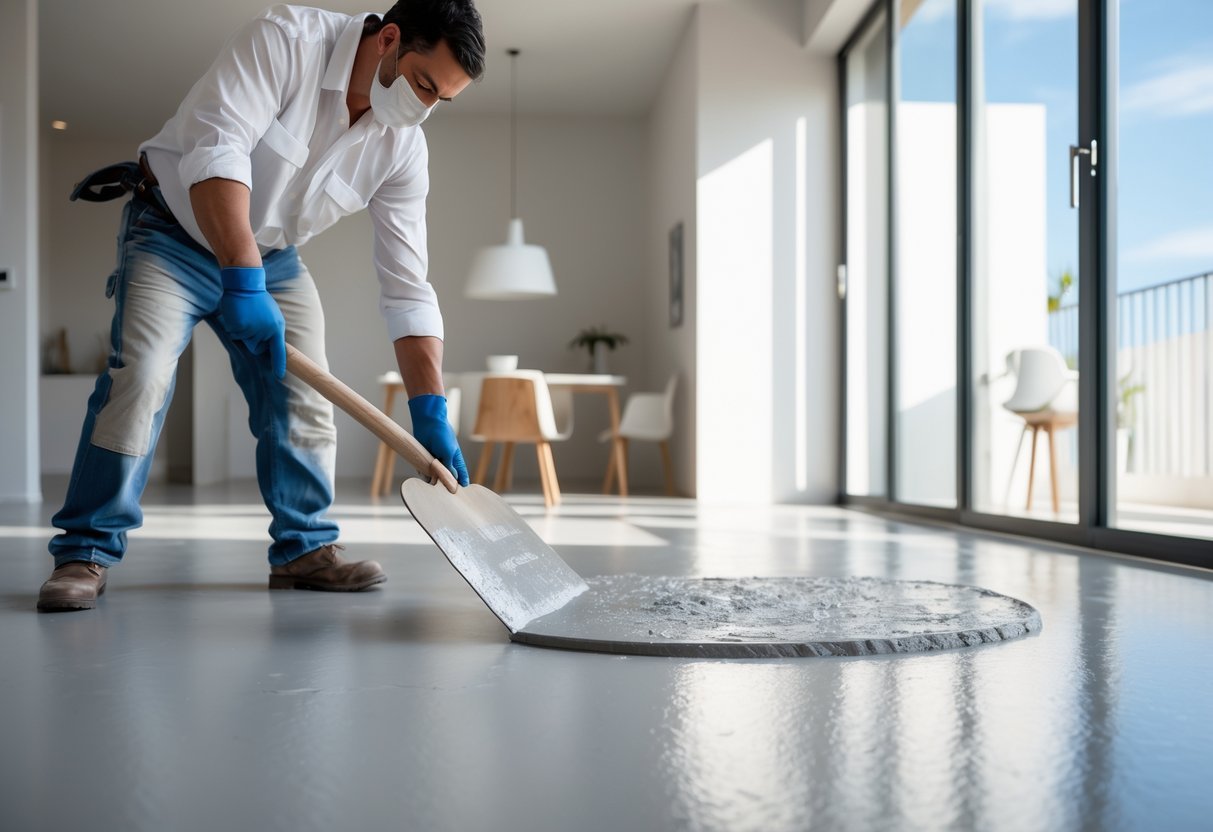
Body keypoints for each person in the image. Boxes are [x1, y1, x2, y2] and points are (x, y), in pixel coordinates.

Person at [38, 1, 483, 612]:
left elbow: (407, 286)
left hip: (273, 256)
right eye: (424, 83)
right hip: (173, 230)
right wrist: (240, 283)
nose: (425, 107)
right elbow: (215, 150)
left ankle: (304, 551)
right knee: (139, 380)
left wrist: (428, 405)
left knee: (306, 399)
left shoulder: (403, 147)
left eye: (442, 99)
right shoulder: (287, 40)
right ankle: (84, 551)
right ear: (390, 38)